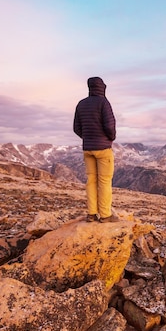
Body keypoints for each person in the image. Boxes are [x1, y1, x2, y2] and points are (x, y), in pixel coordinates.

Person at [73, 77, 119, 223]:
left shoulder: (81, 104)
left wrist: (87, 138)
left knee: (91, 180)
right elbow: (110, 126)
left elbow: (76, 128)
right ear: (102, 87)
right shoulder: (103, 103)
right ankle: (105, 215)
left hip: (88, 148)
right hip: (103, 148)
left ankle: (91, 214)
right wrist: (110, 138)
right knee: (104, 181)